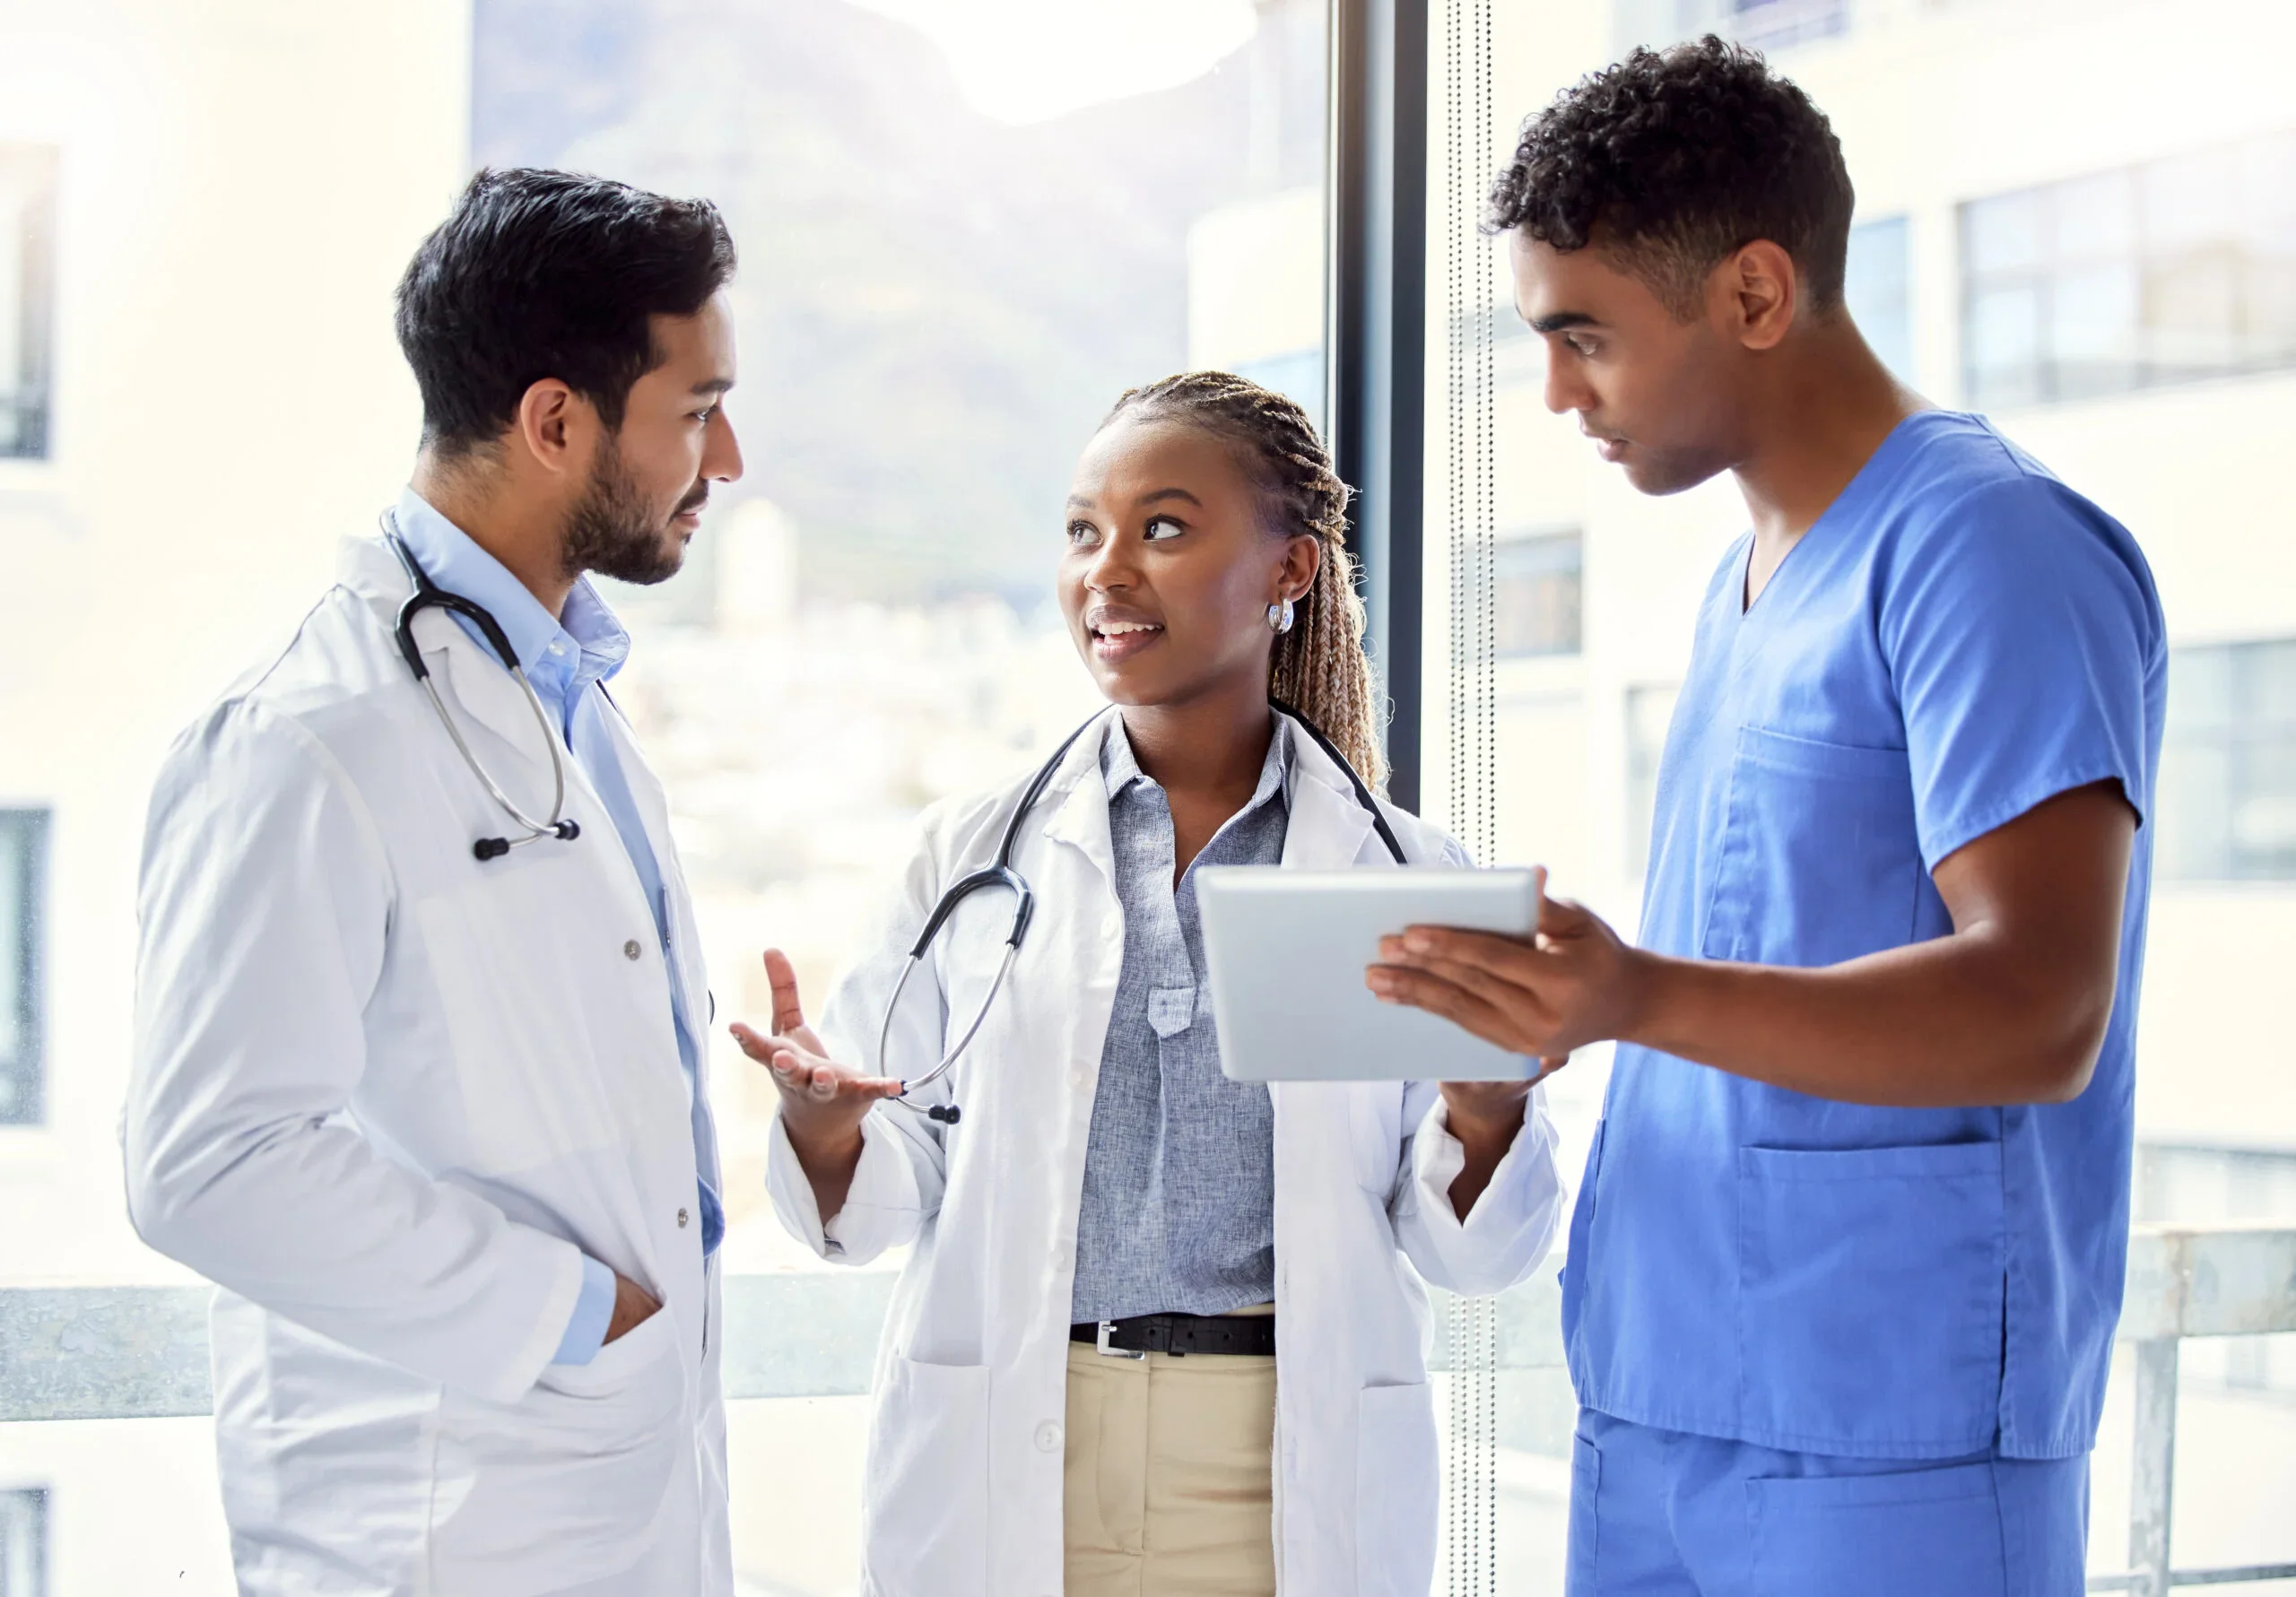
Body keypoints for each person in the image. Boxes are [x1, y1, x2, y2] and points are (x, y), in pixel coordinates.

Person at [1369, 38, 2166, 1597]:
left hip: (1890, 1432)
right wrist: (1545, 1007)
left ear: (1750, 293)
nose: (1553, 393)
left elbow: (2044, 1003)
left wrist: (1636, 996)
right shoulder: (1744, 587)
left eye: (1583, 335)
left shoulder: (1985, 547)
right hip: (1664, 1397)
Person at [736, 371, 1566, 1597]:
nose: (1107, 571)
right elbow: (889, 1191)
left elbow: (1471, 1260)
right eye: (1084, 531)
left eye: (1163, 528)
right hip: (1018, 1448)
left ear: (1289, 571)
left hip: (1278, 1473)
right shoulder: (970, 857)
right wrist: (827, 1129)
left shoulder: (1404, 878)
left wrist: (1490, 1115)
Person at [123, 169, 745, 1596]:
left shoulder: (561, 692)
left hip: (612, 1491)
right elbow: (206, 1163)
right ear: (553, 422)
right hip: (436, 1521)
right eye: (698, 412)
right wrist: (579, 1316)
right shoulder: (308, 734)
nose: (727, 463)